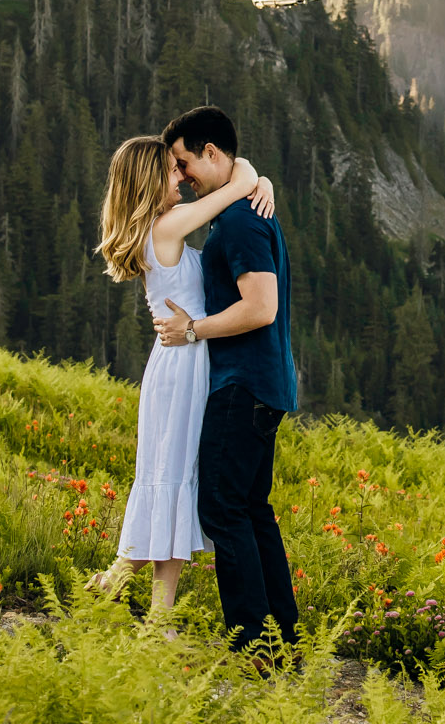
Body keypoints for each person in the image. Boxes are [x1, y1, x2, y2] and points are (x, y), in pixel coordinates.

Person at [89, 134, 275, 614]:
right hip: (182, 367)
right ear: (152, 180)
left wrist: (257, 180)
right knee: (170, 482)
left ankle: (124, 586)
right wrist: (258, 178)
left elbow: (236, 186)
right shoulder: (167, 227)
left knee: (169, 481)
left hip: (182, 364)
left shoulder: (159, 229)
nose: (182, 176)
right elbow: (238, 186)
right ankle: (156, 613)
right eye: (173, 170)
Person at [152, 105, 299, 657]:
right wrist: (251, 177)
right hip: (266, 382)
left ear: (212, 153)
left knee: (220, 507)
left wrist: (194, 330)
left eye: (186, 162)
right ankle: (285, 639)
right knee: (251, 508)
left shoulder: (238, 221)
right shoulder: (246, 207)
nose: (184, 175)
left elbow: (260, 307)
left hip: (241, 383)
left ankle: (253, 646)